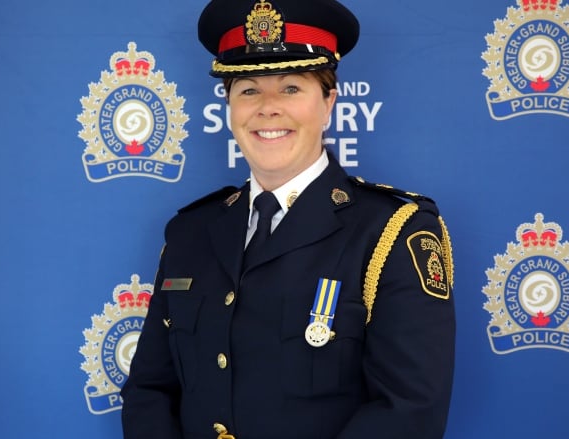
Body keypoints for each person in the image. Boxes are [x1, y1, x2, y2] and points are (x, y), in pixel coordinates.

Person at [120, 0, 456, 438]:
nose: (268, 107)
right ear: (230, 107)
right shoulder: (189, 233)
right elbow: (150, 390)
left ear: (329, 101)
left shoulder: (393, 231)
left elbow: (408, 410)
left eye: (291, 88)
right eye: (248, 90)